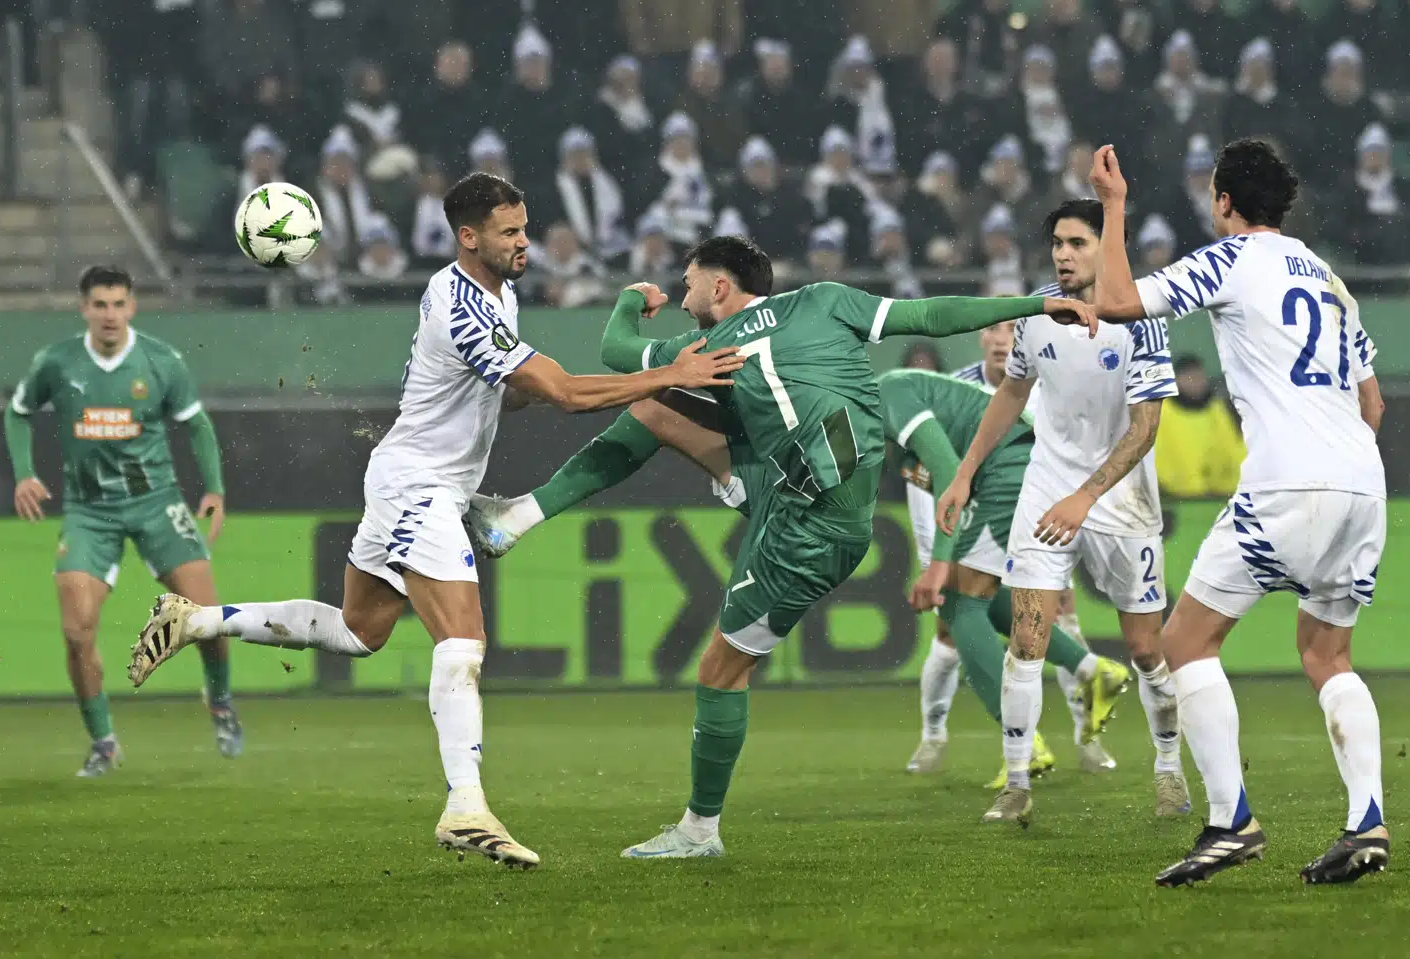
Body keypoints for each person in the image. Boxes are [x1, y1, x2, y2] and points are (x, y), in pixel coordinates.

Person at [125, 174, 747, 869]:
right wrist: (667, 374)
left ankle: (195, 620)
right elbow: (567, 394)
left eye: (525, 227)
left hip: (414, 480)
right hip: (418, 486)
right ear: (468, 237)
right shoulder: (462, 307)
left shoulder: (496, 294)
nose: (525, 242)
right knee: (463, 641)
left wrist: (540, 382)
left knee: (359, 631)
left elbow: (518, 393)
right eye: (510, 232)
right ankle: (466, 806)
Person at [463, 236, 1099, 857]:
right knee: (656, 407)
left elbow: (615, 348)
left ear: (719, 286)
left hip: (806, 529)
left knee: (720, 670)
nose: (682, 300)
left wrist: (632, 299)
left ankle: (699, 831)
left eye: (688, 286)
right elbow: (933, 314)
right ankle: (518, 515)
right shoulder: (824, 300)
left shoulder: (710, 342)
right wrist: (1036, 303)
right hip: (794, 490)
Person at [1089, 138, 1390, 886]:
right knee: (1328, 655)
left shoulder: (1231, 260)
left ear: (1223, 201)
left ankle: (1231, 822)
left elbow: (1117, 302)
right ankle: (1367, 822)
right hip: (1363, 481)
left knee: (1185, 640)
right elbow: (1373, 400)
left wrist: (1114, 206)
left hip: (1288, 481)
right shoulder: (1327, 277)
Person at [939, 199, 1190, 826]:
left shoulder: (1140, 320)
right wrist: (964, 473)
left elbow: (1145, 429)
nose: (1062, 254)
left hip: (1121, 501)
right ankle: (1017, 782)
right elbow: (1012, 392)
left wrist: (1087, 496)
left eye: (1077, 243)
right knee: (1027, 642)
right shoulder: (1038, 312)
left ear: (1107, 248)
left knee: (1145, 649)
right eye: (1057, 243)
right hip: (1046, 491)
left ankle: (1168, 767)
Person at [4, 266, 240, 776]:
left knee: (208, 619)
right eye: (99, 305)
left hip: (157, 503)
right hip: (89, 512)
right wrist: (24, 474)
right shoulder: (57, 362)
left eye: (118, 304)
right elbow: (17, 411)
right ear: (84, 309)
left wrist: (214, 489)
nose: (109, 315)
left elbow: (197, 424)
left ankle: (220, 701)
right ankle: (104, 743)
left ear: (132, 307)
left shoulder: (160, 361)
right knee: (76, 632)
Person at [886, 369, 1126, 785]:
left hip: (1011, 466)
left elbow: (948, 471)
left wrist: (939, 565)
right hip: (1017, 468)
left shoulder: (888, 395)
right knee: (980, 595)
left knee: (959, 601)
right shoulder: (885, 435)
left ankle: (1024, 742)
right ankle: (1092, 670)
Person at [946, 323, 1119, 772]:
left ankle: (1080, 738)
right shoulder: (957, 389)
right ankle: (933, 739)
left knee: (1033, 616)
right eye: (994, 328)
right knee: (956, 627)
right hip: (985, 518)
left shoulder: (1047, 386)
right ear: (981, 337)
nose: (1002, 338)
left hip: (1037, 516)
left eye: (1012, 329)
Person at [1155, 354, 1246, 499]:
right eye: (1189, 377)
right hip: (1174, 497)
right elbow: (1156, 454)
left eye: (1199, 377)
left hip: (1218, 494)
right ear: (1176, 381)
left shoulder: (1216, 408)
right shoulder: (1162, 411)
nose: (1196, 382)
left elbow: (1232, 449)